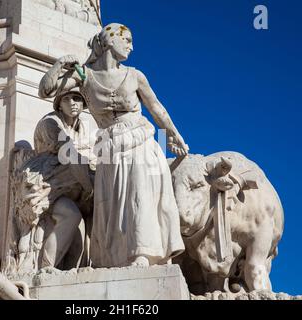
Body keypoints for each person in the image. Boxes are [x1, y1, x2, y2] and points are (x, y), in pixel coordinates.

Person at [39, 23, 188, 267]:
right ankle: (115, 259)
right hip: (109, 149)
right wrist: (58, 66)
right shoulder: (84, 75)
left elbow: (156, 108)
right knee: (112, 203)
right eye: (127, 40)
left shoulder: (135, 75)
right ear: (109, 41)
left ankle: (142, 253)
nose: (132, 45)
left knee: (140, 195)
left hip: (140, 142)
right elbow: (45, 91)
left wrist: (173, 135)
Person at [17, 87, 95, 270]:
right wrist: (88, 186)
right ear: (59, 104)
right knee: (71, 215)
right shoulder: (50, 123)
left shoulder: (82, 128)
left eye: (77, 98)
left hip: (66, 187)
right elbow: (69, 154)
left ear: (84, 104)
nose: (73, 103)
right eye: (66, 99)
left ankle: (71, 273)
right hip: (44, 186)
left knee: (80, 232)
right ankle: (47, 267)